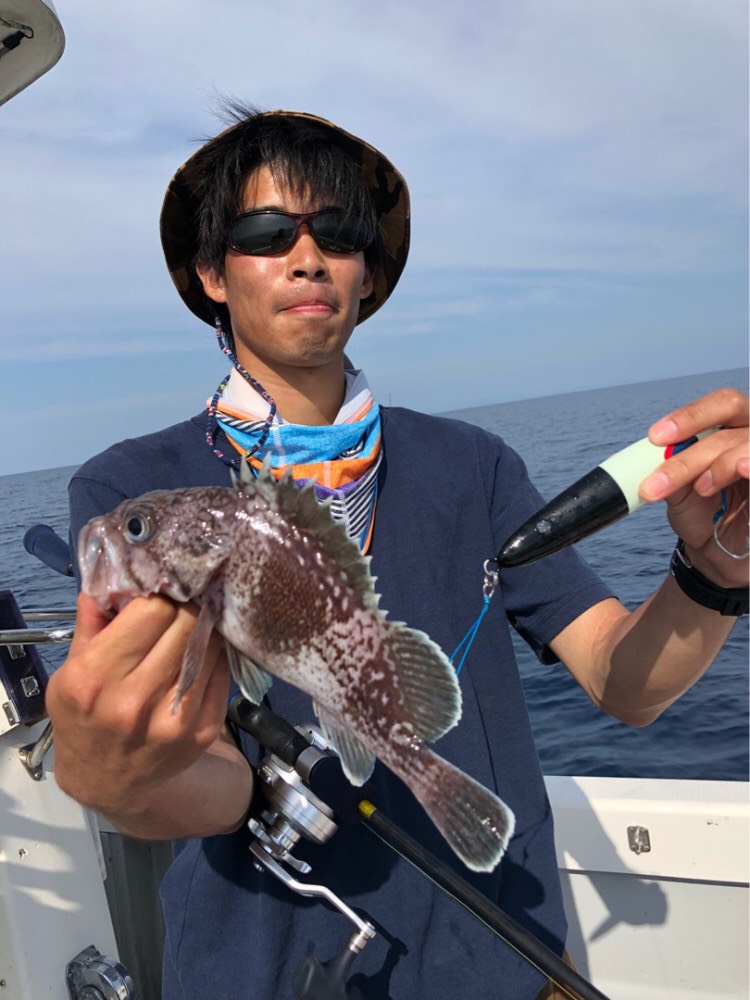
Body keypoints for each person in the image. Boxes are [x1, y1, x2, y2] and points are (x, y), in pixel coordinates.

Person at [45, 104, 749, 1000]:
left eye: (339, 232)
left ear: (368, 271)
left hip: (509, 961)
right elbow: (216, 783)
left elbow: (625, 684)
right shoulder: (131, 490)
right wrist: (113, 777)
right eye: (265, 233)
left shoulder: (472, 464)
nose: (308, 257)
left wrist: (719, 568)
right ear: (211, 272)